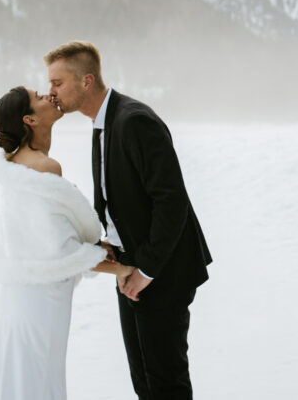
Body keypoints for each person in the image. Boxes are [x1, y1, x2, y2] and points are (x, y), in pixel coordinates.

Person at [45, 42, 212, 400]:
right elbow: (121, 200)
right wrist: (113, 250)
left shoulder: (134, 120)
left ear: (86, 81)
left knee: (166, 382)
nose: (51, 91)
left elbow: (172, 202)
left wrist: (146, 271)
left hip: (163, 269)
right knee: (144, 380)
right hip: (131, 266)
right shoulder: (102, 123)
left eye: (58, 83)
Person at [0, 85, 134, 400]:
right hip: (40, 298)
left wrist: (98, 247)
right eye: (39, 97)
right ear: (30, 120)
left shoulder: (18, 164)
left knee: (25, 378)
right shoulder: (42, 168)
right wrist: (124, 271)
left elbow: (43, 234)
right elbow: (61, 251)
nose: (48, 95)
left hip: (22, 295)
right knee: (39, 380)